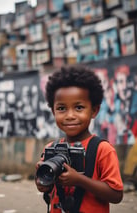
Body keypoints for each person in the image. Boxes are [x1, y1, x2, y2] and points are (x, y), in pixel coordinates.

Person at [35, 65, 123, 213]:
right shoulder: (51, 148)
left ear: (94, 110)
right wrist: (43, 181)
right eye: (61, 108)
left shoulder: (103, 150)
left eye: (79, 108)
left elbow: (116, 195)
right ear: (53, 111)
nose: (70, 115)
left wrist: (79, 180)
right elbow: (47, 190)